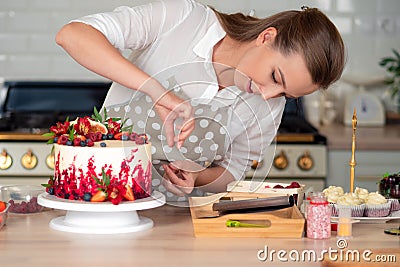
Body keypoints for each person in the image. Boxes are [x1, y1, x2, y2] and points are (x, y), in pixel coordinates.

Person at [55, 0, 345, 198]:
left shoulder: (268, 106)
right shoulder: (184, 19)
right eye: (275, 77)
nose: (269, 95)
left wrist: (197, 176)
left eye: (286, 95)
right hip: (99, 200)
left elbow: (234, 170)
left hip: (176, 227)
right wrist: (154, 89)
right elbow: (73, 35)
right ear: (267, 37)